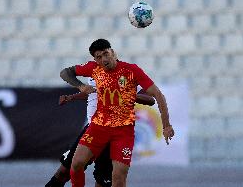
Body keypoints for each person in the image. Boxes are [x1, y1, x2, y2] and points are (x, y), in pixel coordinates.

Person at [60, 39, 174, 187]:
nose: (104, 59)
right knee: (76, 164)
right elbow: (65, 73)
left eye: (106, 54)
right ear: (95, 59)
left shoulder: (131, 70)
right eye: (99, 57)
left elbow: (158, 95)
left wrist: (166, 126)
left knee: (118, 178)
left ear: (113, 52)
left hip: (123, 132)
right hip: (98, 127)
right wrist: (80, 85)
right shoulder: (93, 68)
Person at [45, 77, 155, 187]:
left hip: (114, 133)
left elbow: (150, 99)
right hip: (91, 129)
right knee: (64, 171)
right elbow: (92, 94)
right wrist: (71, 97)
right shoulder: (95, 74)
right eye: (97, 58)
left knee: (102, 181)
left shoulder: (127, 74)